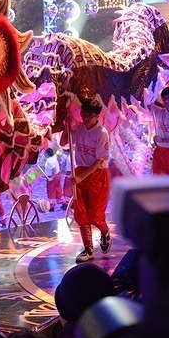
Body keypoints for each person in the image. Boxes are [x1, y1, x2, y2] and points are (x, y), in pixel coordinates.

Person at [64, 99, 111, 263]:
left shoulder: (102, 133)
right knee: (81, 214)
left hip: (96, 174)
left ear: (97, 116)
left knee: (95, 216)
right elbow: (64, 142)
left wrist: (81, 178)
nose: (85, 119)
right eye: (83, 114)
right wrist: (66, 125)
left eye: (89, 116)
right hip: (80, 171)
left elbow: (99, 160)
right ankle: (88, 249)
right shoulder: (79, 128)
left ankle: (105, 232)